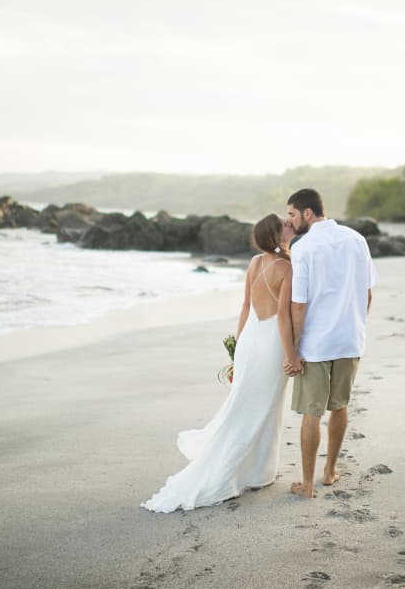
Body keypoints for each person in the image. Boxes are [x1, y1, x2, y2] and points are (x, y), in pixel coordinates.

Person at [141, 214, 300, 512]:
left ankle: (257, 470)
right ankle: (249, 472)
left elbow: (245, 308)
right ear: (277, 236)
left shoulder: (254, 263)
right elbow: (282, 317)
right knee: (263, 406)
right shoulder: (287, 268)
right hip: (271, 344)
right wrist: (292, 354)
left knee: (245, 404)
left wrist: (238, 349)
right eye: (286, 225)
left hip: (251, 340)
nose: (291, 226)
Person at [284, 188, 377, 500]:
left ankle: (307, 484)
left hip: (317, 342)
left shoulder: (303, 247)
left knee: (312, 412)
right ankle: (330, 472)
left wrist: (294, 348)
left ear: (308, 213)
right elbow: (368, 292)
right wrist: (356, 325)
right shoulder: (356, 239)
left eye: (292, 215)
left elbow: (299, 304)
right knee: (340, 406)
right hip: (350, 338)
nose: (291, 221)